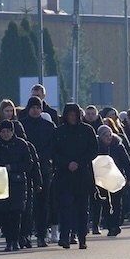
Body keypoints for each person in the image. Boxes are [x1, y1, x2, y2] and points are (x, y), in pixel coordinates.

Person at [51, 103, 98, 248]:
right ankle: (64, 236)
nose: (72, 118)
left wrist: (79, 162)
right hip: (64, 175)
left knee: (82, 208)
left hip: (82, 174)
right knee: (65, 207)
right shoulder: (58, 132)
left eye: (75, 115)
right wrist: (67, 163)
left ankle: (82, 237)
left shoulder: (87, 130)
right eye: (70, 115)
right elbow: (53, 152)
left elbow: (93, 150)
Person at [0, 119, 34, 251]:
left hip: (18, 183)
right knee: (4, 213)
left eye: (8, 131)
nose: (5, 134)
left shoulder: (21, 144)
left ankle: (15, 240)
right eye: (3, 131)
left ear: (12, 132)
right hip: (1, 183)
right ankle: (8, 240)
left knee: (16, 213)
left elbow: (29, 163)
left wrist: (13, 167)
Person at [19, 96, 55, 247]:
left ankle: (42, 234)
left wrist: (42, 157)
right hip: (26, 168)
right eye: (33, 107)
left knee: (43, 203)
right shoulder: (22, 125)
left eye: (38, 107)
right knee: (26, 204)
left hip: (44, 168)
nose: (35, 110)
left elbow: (53, 146)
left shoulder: (48, 126)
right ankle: (25, 234)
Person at [94, 124, 130, 236]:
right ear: (100, 136)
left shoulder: (118, 145)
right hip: (101, 179)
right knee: (105, 203)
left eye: (109, 134)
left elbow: (126, 162)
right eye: (105, 135)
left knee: (116, 202)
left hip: (116, 177)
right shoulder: (96, 146)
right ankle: (109, 224)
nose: (108, 137)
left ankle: (116, 225)